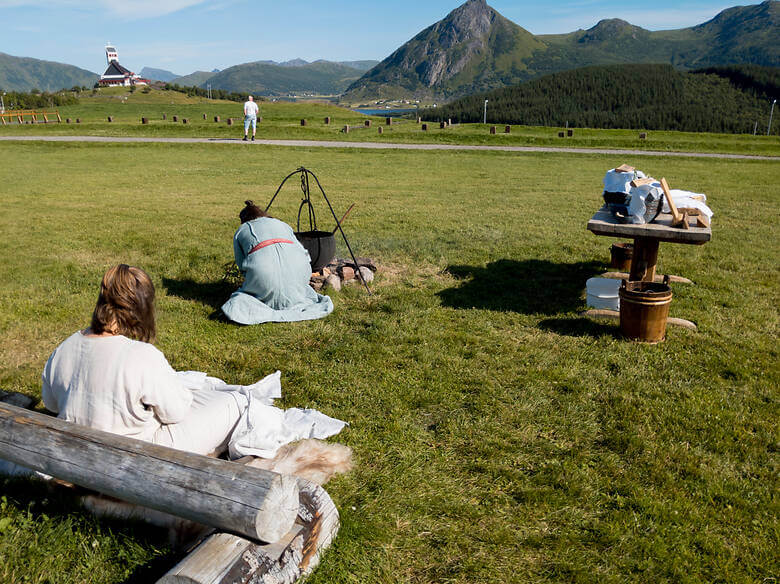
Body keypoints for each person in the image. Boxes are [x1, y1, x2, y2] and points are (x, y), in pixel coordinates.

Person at [41, 265, 246, 456]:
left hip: (77, 448)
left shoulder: (65, 347)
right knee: (234, 402)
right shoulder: (141, 355)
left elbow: (51, 404)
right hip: (133, 455)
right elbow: (174, 413)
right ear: (141, 307)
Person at [221, 201, 334, 325]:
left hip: (262, 273)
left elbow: (241, 264)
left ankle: (265, 297)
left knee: (240, 300)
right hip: (300, 269)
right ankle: (291, 296)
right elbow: (304, 253)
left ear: (244, 220)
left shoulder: (242, 230)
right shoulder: (283, 224)